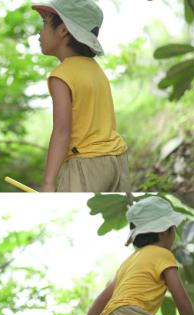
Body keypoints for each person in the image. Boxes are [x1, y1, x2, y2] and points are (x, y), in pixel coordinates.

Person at [80, 196, 194, 315]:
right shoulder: (162, 254)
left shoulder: (129, 262)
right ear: (165, 231)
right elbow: (181, 299)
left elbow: (103, 298)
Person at [32, 0, 130, 192]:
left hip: (86, 163)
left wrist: (48, 183)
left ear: (62, 30)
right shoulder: (95, 70)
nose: (39, 33)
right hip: (117, 159)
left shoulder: (61, 75)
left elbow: (62, 131)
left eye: (44, 24)